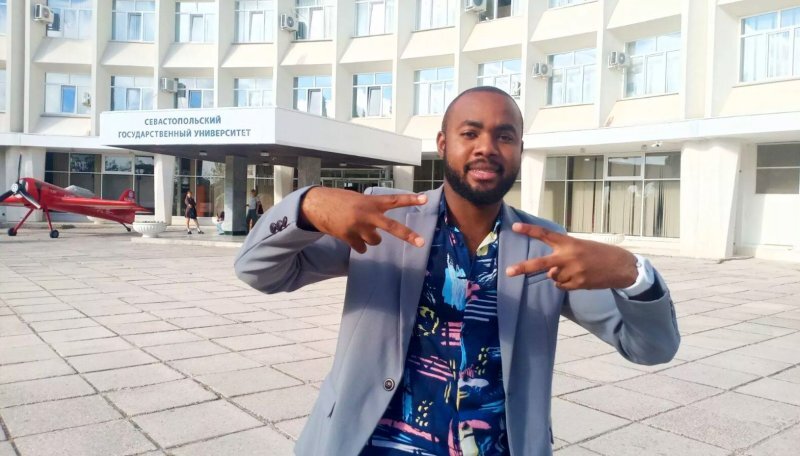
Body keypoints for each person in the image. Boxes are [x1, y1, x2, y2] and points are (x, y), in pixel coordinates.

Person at [235, 87, 680, 456]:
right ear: (444, 143)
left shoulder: (546, 246)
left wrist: (632, 273)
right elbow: (259, 271)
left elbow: (651, 349)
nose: (487, 146)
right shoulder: (383, 220)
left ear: (519, 151)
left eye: (505, 136)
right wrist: (306, 206)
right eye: (470, 132)